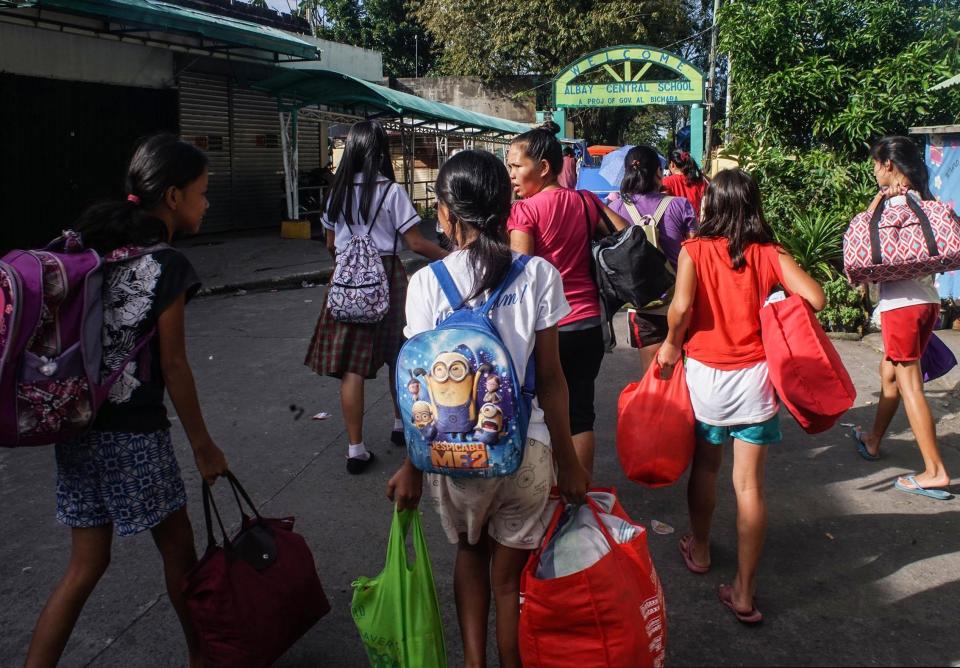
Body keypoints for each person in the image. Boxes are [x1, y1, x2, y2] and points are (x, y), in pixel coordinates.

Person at [26, 134, 229, 667]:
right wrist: (204, 447)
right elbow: (175, 365)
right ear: (174, 197)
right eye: (203, 193)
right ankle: (204, 660)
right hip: (134, 436)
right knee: (180, 556)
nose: (207, 204)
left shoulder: (92, 249)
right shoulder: (166, 266)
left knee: (85, 565)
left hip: (76, 423)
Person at [387, 149, 590, 668]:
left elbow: (418, 391)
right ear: (506, 205)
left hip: (457, 455)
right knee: (509, 584)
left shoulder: (429, 283)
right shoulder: (539, 273)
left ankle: (473, 663)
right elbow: (551, 378)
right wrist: (568, 460)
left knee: (469, 555)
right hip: (530, 448)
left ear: (446, 213)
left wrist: (412, 466)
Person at [656, 169, 825, 624]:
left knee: (707, 466)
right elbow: (815, 297)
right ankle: (745, 592)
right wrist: (772, 310)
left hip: (708, 377)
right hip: (756, 379)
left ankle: (702, 547)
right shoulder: (768, 252)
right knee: (749, 486)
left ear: (713, 205)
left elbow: (681, 308)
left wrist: (672, 343)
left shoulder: (695, 250)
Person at [304, 120, 446, 474]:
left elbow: (331, 244)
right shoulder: (391, 192)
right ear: (380, 151)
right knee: (398, 355)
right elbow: (415, 243)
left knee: (353, 366)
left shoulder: (335, 193)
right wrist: (452, 257)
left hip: (347, 281)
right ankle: (401, 427)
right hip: (388, 277)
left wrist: (350, 268)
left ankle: (356, 449)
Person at [506, 125, 629, 473]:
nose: (511, 175)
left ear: (543, 167)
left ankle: (549, 499)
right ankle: (579, 502)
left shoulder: (524, 212)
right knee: (579, 416)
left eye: (517, 167)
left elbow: (521, 277)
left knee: (541, 415)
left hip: (547, 331)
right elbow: (625, 232)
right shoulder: (587, 201)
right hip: (589, 324)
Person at [851, 136, 952, 499]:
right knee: (889, 372)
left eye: (876, 165)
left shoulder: (890, 207)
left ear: (889, 165)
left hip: (903, 307)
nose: (874, 171)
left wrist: (871, 208)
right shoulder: (926, 203)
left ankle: (934, 470)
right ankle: (874, 439)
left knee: (910, 385)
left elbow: (866, 258)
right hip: (926, 302)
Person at [608, 145, 697, 373]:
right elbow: (697, 252)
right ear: (659, 172)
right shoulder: (679, 205)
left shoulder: (616, 207)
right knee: (686, 377)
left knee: (654, 376)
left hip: (641, 305)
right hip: (680, 301)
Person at [663, 148, 708, 220]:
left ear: (672, 164)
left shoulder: (666, 182)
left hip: (674, 227)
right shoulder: (700, 181)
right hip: (695, 227)